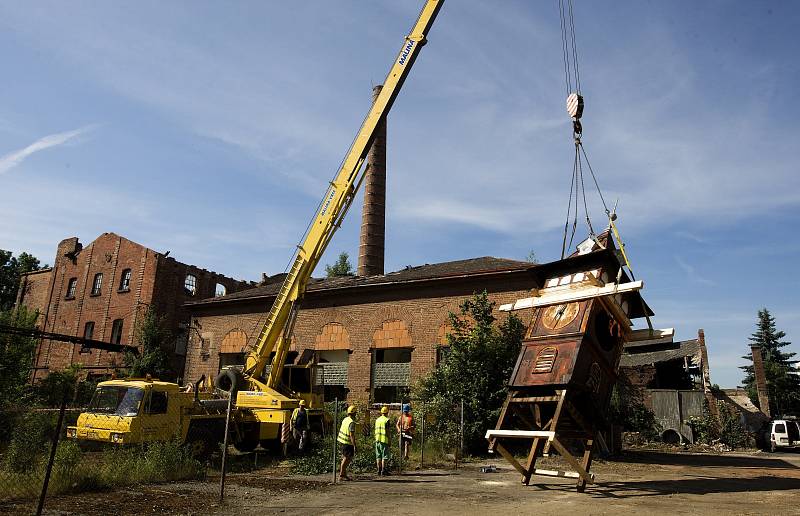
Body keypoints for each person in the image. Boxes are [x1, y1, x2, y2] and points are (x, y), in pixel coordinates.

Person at [337, 405, 357, 481]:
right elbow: (351, 435)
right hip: (347, 442)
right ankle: (342, 474)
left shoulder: (345, 419)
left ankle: (344, 474)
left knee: (345, 458)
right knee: (347, 458)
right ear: (354, 413)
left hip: (342, 441)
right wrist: (354, 445)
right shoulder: (351, 422)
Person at [374, 406, 392, 476]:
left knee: (378, 456)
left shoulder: (377, 420)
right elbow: (387, 431)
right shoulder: (387, 420)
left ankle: (379, 470)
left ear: (381, 412)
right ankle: (383, 470)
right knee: (384, 456)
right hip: (384, 440)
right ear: (387, 412)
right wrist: (389, 440)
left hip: (377, 440)